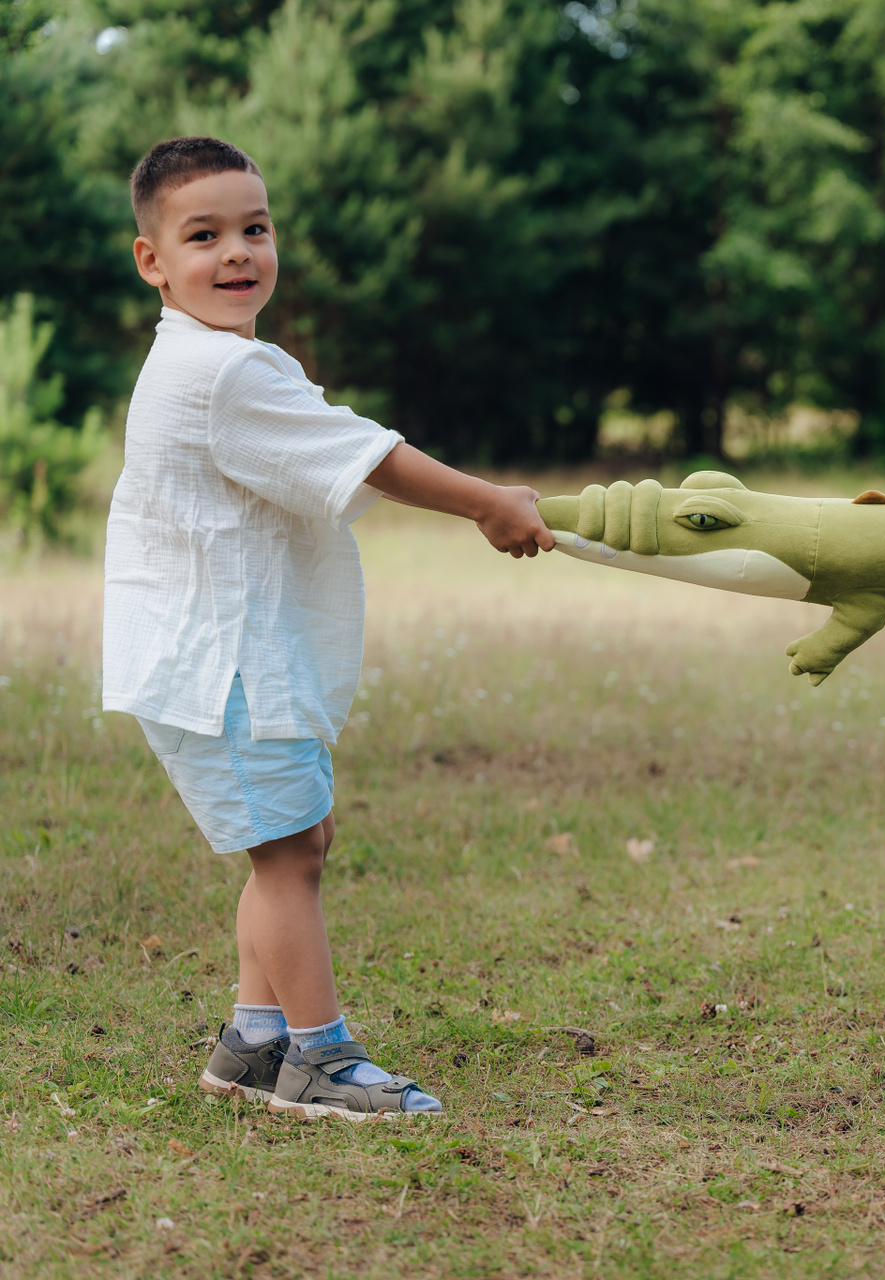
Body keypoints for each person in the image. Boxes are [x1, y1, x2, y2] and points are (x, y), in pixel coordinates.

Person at [103, 136, 555, 1121]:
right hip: (220, 667)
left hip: (222, 656)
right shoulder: (220, 373)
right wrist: (488, 501)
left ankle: (253, 1041)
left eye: (255, 228)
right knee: (287, 856)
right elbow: (371, 455)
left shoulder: (216, 359)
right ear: (153, 260)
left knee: (297, 836)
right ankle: (319, 1058)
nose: (237, 252)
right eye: (204, 235)